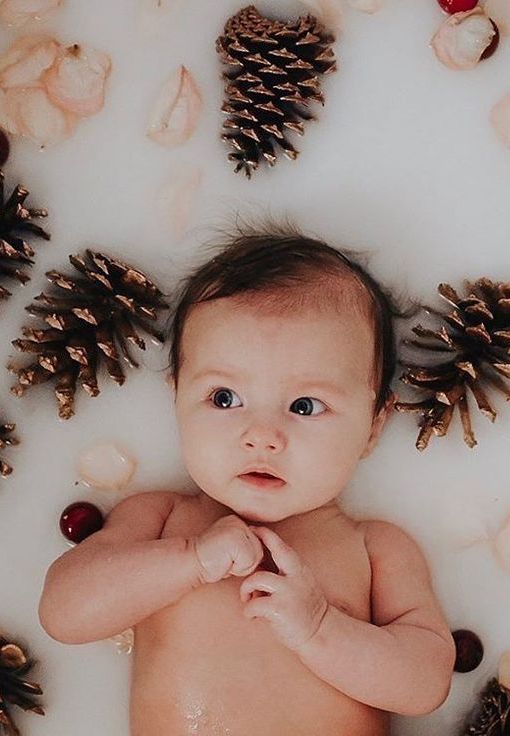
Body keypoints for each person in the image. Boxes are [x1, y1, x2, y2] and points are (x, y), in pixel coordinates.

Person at [39, 226, 456, 735]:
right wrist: (190, 559)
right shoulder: (161, 519)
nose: (261, 436)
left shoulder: (375, 550)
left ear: (373, 426)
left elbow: (426, 683)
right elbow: (64, 611)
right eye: (224, 398)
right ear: (177, 400)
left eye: (305, 406)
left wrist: (319, 627)